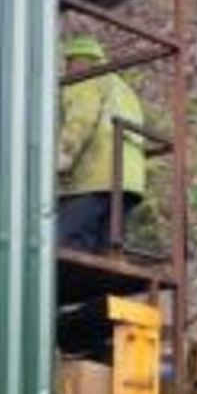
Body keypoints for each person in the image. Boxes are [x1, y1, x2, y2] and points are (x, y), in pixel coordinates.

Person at [56, 34, 145, 252]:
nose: (66, 71)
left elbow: (80, 121)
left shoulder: (87, 77)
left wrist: (61, 161)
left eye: (68, 64)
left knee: (69, 243)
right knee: (105, 250)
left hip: (96, 178)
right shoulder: (121, 87)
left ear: (77, 60)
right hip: (129, 182)